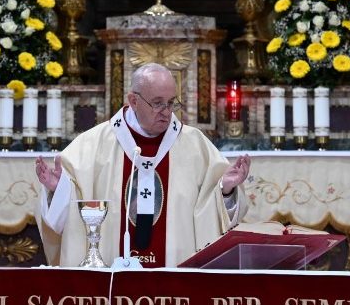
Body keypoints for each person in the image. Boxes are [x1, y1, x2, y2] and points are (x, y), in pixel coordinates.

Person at [35, 63, 250, 268]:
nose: (167, 112)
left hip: (176, 286)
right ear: (133, 101)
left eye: (171, 102)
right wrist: (59, 190)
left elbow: (215, 212)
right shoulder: (93, 144)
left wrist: (226, 189)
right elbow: (70, 214)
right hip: (111, 284)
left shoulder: (195, 144)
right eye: (157, 103)